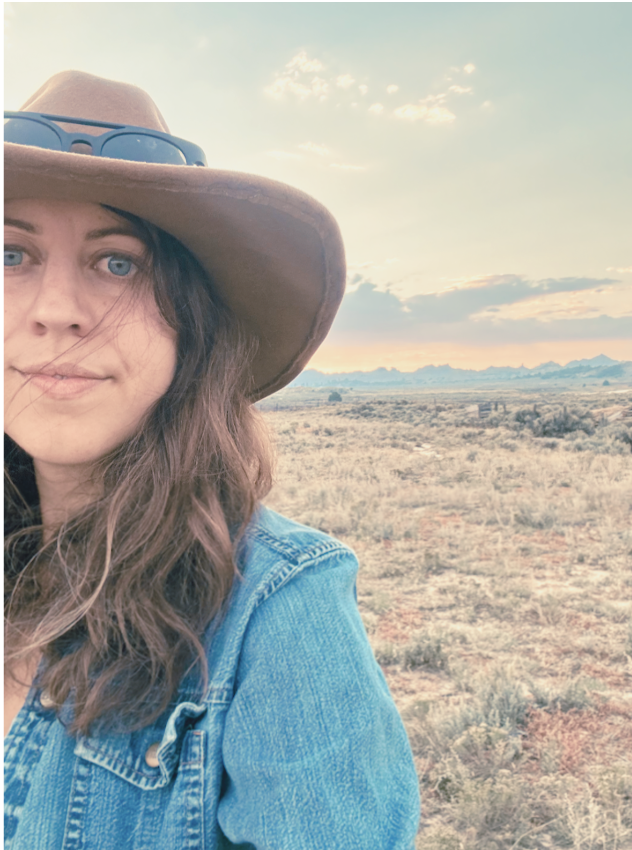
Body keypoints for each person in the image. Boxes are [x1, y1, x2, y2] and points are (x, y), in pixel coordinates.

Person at [4, 70, 420, 850]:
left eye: (117, 261)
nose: (55, 311)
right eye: (10, 254)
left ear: (187, 325)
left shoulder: (275, 614)